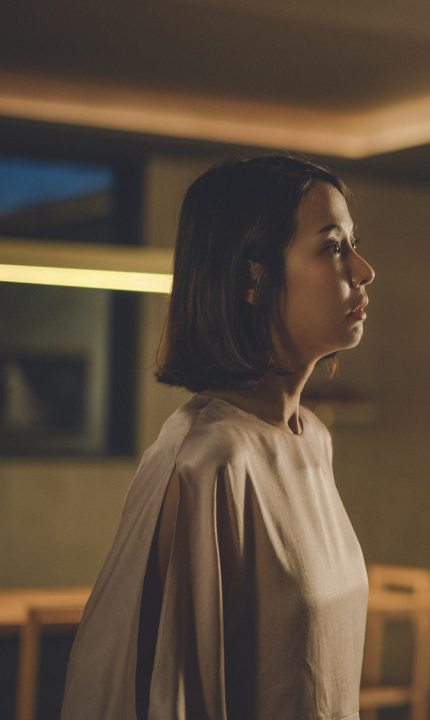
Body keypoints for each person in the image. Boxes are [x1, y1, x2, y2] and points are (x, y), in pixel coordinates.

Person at [61, 155, 375, 719]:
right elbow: (152, 692)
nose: (364, 269)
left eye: (353, 243)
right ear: (254, 279)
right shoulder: (207, 458)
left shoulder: (314, 440)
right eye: (332, 246)